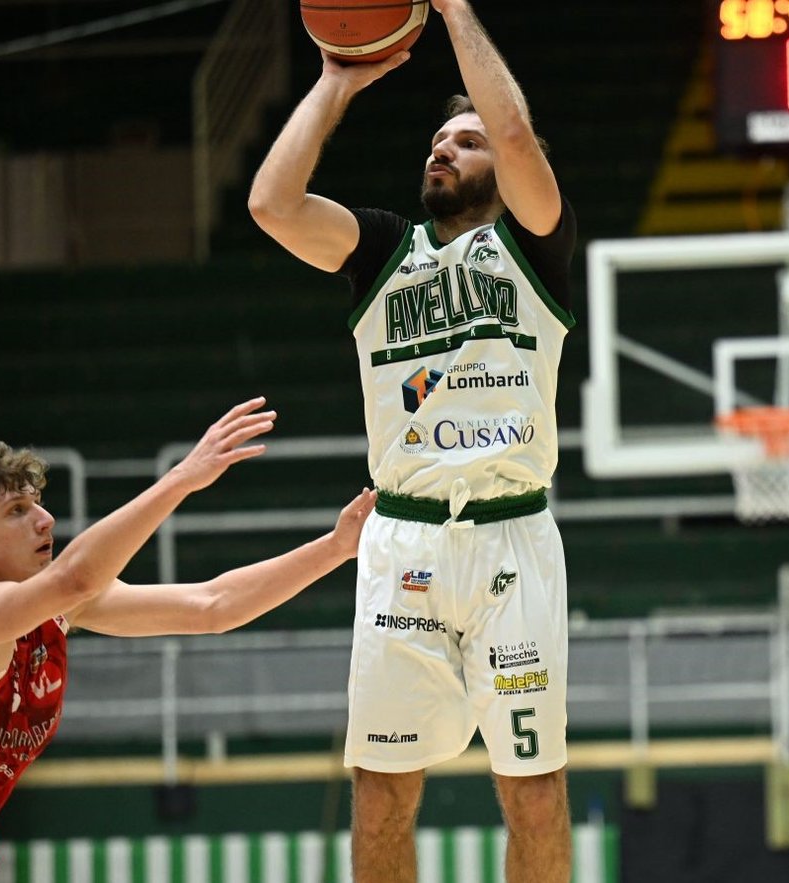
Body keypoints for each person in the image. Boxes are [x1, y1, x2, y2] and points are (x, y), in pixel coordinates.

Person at [247, 0, 576, 879]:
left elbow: (515, 131)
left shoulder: (535, 247)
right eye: (437, 142)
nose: (444, 151)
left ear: (503, 168)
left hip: (512, 536)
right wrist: (334, 81)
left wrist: (455, 10)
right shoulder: (384, 250)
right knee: (382, 795)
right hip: (405, 542)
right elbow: (271, 204)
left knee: (535, 793)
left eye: (466, 142)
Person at [0, 399, 377, 883]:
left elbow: (213, 605)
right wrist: (181, 479)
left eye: (38, 503)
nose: (45, 520)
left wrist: (335, 548)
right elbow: (75, 577)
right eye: (17, 511)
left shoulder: (53, 608)